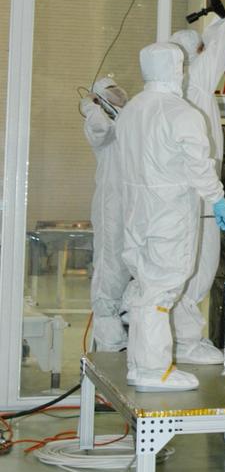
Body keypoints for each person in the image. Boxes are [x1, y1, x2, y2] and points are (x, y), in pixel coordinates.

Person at [116, 42, 225, 391]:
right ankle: (154, 370)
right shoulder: (181, 112)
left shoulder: (132, 110)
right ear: (176, 69)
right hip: (168, 214)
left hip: (136, 212)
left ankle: (140, 364)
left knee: (144, 286)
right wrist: (218, 200)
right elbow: (198, 166)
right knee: (163, 287)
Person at [169, 0, 225, 365]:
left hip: (179, 191)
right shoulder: (198, 81)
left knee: (182, 264)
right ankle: (186, 340)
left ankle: (176, 337)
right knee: (200, 265)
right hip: (202, 191)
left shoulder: (173, 89)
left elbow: (213, 42)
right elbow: (223, 45)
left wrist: (221, 14)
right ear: (196, 55)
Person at [80, 76, 130, 351]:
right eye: (111, 95)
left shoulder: (128, 121)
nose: (119, 97)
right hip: (111, 207)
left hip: (133, 207)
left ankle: (125, 332)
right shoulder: (101, 124)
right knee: (110, 268)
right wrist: (90, 107)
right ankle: (109, 342)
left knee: (130, 268)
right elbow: (100, 128)